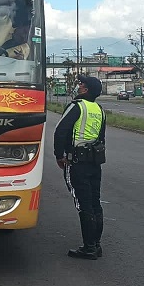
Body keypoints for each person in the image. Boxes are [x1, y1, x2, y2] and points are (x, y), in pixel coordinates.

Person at [53, 75, 107, 260]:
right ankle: (96, 245)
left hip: (77, 162)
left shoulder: (77, 106)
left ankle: (89, 247)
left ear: (85, 89)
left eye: (81, 84)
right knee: (95, 202)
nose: (79, 86)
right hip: (94, 162)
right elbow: (101, 138)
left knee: (83, 204)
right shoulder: (99, 110)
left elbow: (60, 131)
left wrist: (59, 155)